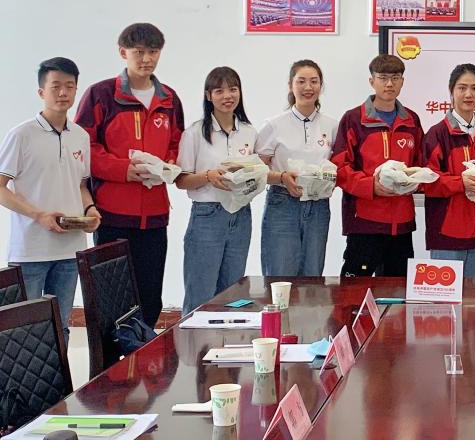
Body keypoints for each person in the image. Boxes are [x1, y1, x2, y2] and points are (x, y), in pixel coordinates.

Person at [75, 23, 184, 328]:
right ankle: (111, 360)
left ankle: (143, 357)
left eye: (153, 52)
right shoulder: (100, 94)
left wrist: (168, 164)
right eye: (139, 52)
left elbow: (177, 142)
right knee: (111, 301)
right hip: (111, 215)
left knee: (150, 300)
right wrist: (124, 170)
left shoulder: (170, 98)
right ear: (123, 53)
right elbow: (83, 147)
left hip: (155, 216)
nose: (146, 59)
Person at [0, 58, 99, 340]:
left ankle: (61, 374)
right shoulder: (21, 135)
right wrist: (38, 215)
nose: (63, 92)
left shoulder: (80, 136)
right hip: (30, 251)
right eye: (56, 86)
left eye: (70, 86)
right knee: (24, 333)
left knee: (61, 326)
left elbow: (80, 185)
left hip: (70, 249)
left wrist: (90, 209)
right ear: (41, 92)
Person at [332, 54, 424, 277]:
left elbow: (421, 163)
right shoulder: (353, 119)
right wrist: (370, 186)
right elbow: (340, 167)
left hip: (401, 223)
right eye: (383, 78)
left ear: (402, 82)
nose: (389, 84)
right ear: (372, 81)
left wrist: (415, 180)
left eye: (395, 78)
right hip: (365, 222)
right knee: (354, 291)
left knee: (398, 291)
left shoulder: (412, 120)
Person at [175, 67, 258, 314]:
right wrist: (208, 177)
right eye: (219, 91)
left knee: (232, 294)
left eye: (233, 89)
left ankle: (227, 339)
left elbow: (257, 171)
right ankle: (192, 341)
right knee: (200, 295)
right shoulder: (195, 133)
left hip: (241, 215)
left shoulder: (249, 132)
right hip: (207, 216)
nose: (227, 96)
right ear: (208, 96)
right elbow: (181, 180)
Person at [257, 60, 336, 277]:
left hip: (318, 205)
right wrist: (281, 177)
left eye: (314, 81)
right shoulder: (274, 125)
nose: (308, 87)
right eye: (301, 81)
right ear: (290, 85)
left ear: (321, 86)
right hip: (282, 204)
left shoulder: (332, 125)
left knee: (312, 276)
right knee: (279, 275)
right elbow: (256, 171)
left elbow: (338, 166)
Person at [421, 64, 475, 277]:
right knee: (446, 297)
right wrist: (461, 183)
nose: (469, 94)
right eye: (462, 88)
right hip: (447, 233)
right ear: (451, 91)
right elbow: (426, 181)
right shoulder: (437, 134)